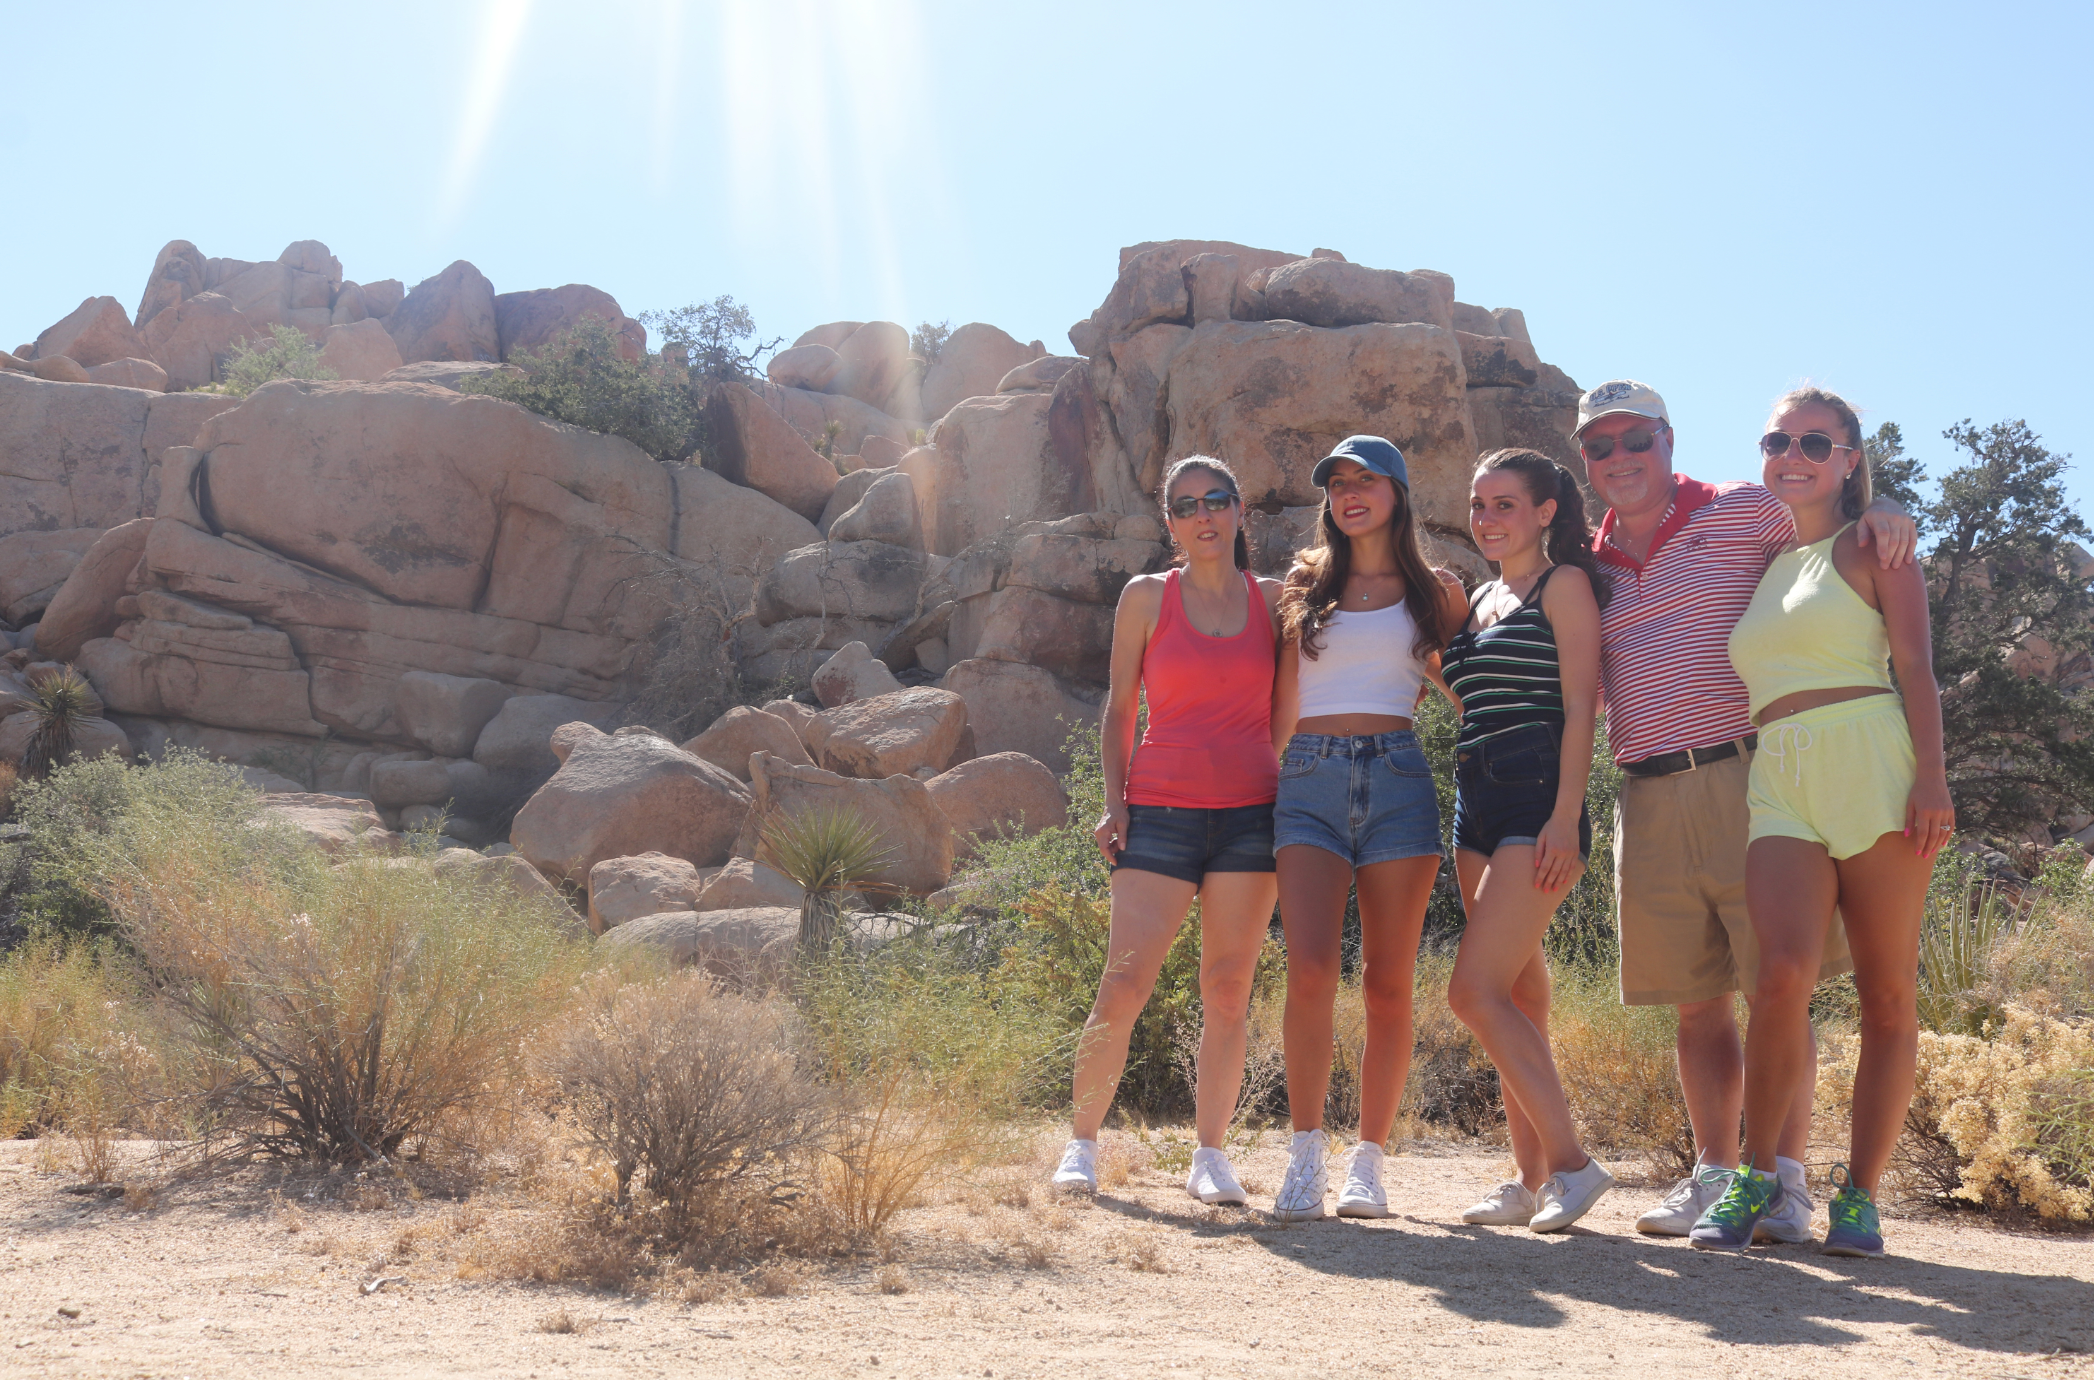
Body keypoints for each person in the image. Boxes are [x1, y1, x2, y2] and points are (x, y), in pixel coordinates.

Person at [1576, 380, 1917, 1242]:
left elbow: (1835, 522)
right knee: (1697, 1003)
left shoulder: (1740, 510)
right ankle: (1717, 1176)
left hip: (1749, 773)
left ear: (1669, 439)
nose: (1621, 457)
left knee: (1780, 986)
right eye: (1601, 445)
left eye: (1637, 438)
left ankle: (1788, 1184)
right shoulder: (1586, 559)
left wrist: (1890, 509)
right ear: (1585, 459)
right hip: (1646, 788)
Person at [1688, 388, 1950, 1256]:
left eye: (1813, 442)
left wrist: (1933, 780)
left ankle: (1862, 1196)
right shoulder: (1768, 560)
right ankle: (1759, 1177)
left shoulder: (1876, 544)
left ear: (1848, 460)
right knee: (1780, 977)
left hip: (1873, 766)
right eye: (1777, 440)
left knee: (1887, 993)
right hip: (1781, 775)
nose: (1791, 455)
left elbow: (1916, 668)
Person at [1052, 455, 1285, 1205]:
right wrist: (1115, 803)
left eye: (1216, 500)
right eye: (1186, 506)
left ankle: (1210, 1156)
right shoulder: (1147, 597)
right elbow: (1120, 708)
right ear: (1170, 522)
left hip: (1252, 817)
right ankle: (1081, 1146)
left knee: (1228, 989)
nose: (1203, 515)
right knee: (1123, 983)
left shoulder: (1274, 600)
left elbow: (1294, 702)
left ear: (1240, 510)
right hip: (1159, 811)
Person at [1267, 435, 1467, 1222]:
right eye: (1338, 483)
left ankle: (1369, 1165)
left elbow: (1464, 691)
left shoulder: (1436, 591)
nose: (1350, 494)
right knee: (1312, 970)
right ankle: (1304, 1156)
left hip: (1398, 777)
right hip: (1308, 779)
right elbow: (1285, 698)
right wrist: (1270, 778)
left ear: (1398, 493)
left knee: (1388, 983)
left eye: (1366, 481)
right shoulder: (1305, 582)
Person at [1439, 449, 1616, 1232]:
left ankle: (1573, 1166)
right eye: (1479, 504)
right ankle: (1530, 1178)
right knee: (1515, 993)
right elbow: (1472, 698)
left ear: (1546, 512)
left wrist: (1565, 815)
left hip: (1536, 793)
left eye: (1504, 504)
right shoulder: (1480, 597)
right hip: (1473, 796)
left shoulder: (1562, 584)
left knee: (1472, 992)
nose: (1487, 518)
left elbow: (1580, 706)